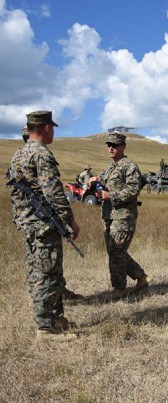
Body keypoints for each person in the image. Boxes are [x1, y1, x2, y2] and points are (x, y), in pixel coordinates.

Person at [9, 111, 80, 341]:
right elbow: (54, 194)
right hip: (43, 225)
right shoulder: (41, 155)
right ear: (46, 127)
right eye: (53, 128)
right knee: (46, 273)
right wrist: (70, 221)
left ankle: (56, 317)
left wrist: (21, 217)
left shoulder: (18, 155)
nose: (53, 132)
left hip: (28, 223)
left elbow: (15, 193)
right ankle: (45, 329)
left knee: (42, 269)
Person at [100, 132, 152, 298]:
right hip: (109, 216)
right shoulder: (111, 167)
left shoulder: (129, 166)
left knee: (116, 252)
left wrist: (111, 196)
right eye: (109, 145)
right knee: (114, 251)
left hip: (123, 216)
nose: (111, 148)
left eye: (115, 145)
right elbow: (102, 180)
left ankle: (119, 289)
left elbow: (133, 190)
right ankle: (141, 277)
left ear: (123, 147)